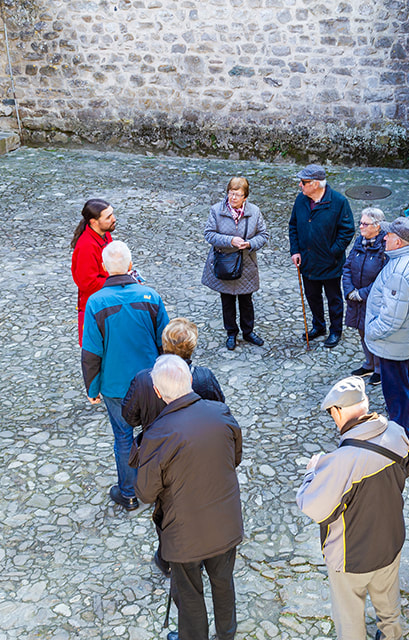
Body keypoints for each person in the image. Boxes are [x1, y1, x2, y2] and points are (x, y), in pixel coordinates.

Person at [296, 376, 409, 640]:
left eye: (332, 414)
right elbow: (407, 470)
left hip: (352, 556)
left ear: (338, 412)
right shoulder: (397, 432)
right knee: (389, 604)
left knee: (349, 621)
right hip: (391, 541)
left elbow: (314, 507)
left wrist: (312, 473)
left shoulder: (340, 461)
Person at [134, 355, 243, 640]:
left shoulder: (157, 434)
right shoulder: (221, 413)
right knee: (223, 584)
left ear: (158, 392)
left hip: (183, 536)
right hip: (224, 524)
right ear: (190, 381)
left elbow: (145, 493)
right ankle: (227, 635)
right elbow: (235, 458)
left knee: (190, 595)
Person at [82, 240, 169, 511]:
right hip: (151, 381)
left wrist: (92, 388)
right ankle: (158, 488)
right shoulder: (150, 297)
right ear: (131, 266)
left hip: (115, 385)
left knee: (123, 436)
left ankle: (129, 492)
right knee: (155, 433)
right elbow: (165, 341)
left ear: (104, 267)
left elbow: (91, 353)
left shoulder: (96, 303)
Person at [364, 216, 409, 436]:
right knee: (408, 383)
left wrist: (370, 332)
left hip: (395, 345)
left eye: (389, 235)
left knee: (396, 391)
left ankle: (400, 435)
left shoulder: (398, 272)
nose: (384, 237)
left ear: (399, 242)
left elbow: (391, 320)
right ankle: (408, 425)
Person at [289, 164, 356, 348]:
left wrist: (333, 250)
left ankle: (335, 331)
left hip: (330, 262)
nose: (300, 186)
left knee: (334, 299)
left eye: (304, 182)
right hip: (307, 261)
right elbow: (293, 225)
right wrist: (295, 250)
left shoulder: (338, 202)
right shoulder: (301, 200)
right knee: (312, 296)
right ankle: (318, 326)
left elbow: (347, 230)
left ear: (316, 184)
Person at [202, 176, 269, 351]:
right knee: (227, 300)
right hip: (224, 262)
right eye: (231, 194)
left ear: (245, 197)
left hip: (246, 263)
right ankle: (231, 332)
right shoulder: (216, 210)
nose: (233, 198)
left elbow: (263, 235)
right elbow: (209, 234)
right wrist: (230, 240)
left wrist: (250, 244)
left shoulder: (254, 212)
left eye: (237, 195)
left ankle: (248, 332)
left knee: (247, 300)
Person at [342, 207, 387, 381]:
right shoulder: (360, 241)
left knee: (375, 334)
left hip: (372, 300)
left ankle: (379, 369)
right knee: (362, 331)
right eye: (360, 223)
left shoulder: (384, 247)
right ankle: (369, 364)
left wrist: (362, 294)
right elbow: (347, 267)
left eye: (365, 224)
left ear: (377, 226)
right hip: (356, 298)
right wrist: (350, 291)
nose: (360, 227)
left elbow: (383, 278)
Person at [71, 198, 115, 345]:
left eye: (112, 214)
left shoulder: (105, 234)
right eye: (108, 217)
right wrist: (117, 281)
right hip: (95, 308)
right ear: (94, 222)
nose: (114, 219)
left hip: (107, 300)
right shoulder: (86, 246)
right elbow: (88, 284)